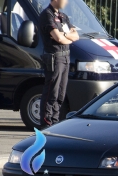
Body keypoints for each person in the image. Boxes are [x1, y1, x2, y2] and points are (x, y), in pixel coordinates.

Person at [39, 0, 79, 128]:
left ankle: (55, 122)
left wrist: (65, 34)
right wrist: (65, 37)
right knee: (52, 92)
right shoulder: (47, 15)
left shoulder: (63, 16)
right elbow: (58, 38)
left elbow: (76, 36)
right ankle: (46, 123)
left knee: (61, 95)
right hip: (55, 59)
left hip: (65, 58)